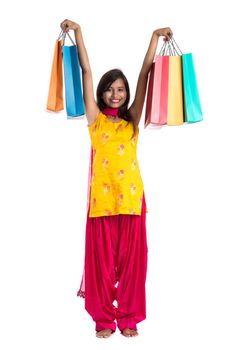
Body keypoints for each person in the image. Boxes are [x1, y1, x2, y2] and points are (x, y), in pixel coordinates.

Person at [60, 19, 173, 338]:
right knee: (102, 265)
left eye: (120, 89)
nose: (115, 94)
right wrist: (79, 34)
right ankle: (104, 319)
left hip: (132, 200)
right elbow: (85, 72)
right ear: (101, 93)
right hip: (101, 204)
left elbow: (144, 76)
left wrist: (153, 38)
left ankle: (128, 317)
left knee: (133, 265)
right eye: (109, 89)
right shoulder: (95, 122)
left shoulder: (132, 122)